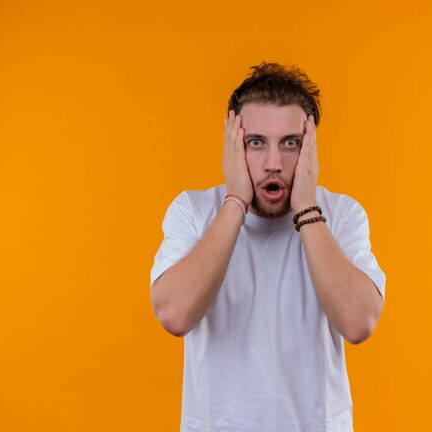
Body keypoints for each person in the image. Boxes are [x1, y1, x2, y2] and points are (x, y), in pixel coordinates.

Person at [149, 61, 386, 432]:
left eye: (290, 143)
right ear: (232, 145)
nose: (273, 164)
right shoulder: (194, 211)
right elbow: (174, 316)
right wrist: (235, 203)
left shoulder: (341, 215)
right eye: (255, 143)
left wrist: (307, 208)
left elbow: (359, 323)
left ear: (310, 147)